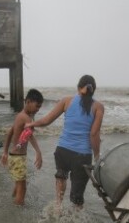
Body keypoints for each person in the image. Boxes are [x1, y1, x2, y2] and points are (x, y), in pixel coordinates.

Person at [26, 75, 105, 208]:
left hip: (62, 151)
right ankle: (74, 219)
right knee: (77, 198)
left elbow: (46, 120)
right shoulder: (98, 107)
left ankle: (58, 209)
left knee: (60, 181)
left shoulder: (66, 101)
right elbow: (94, 134)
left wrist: (30, 125)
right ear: (93, 90)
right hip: (82, 156)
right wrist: (97, 156)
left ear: (78, 87)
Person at [1, 89, 44, 206]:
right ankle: (18, 209)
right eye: (37, 106)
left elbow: (10, 133)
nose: (38, 109)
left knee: (18, 184)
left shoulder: (19, 115)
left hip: (14, 156)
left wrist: (5, 152)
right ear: (28, 101)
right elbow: (29, 136)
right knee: (22, 187)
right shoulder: (26, 118)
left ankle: (13, 202)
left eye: (40, 107)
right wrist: (38, 152)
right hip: (18, 158)